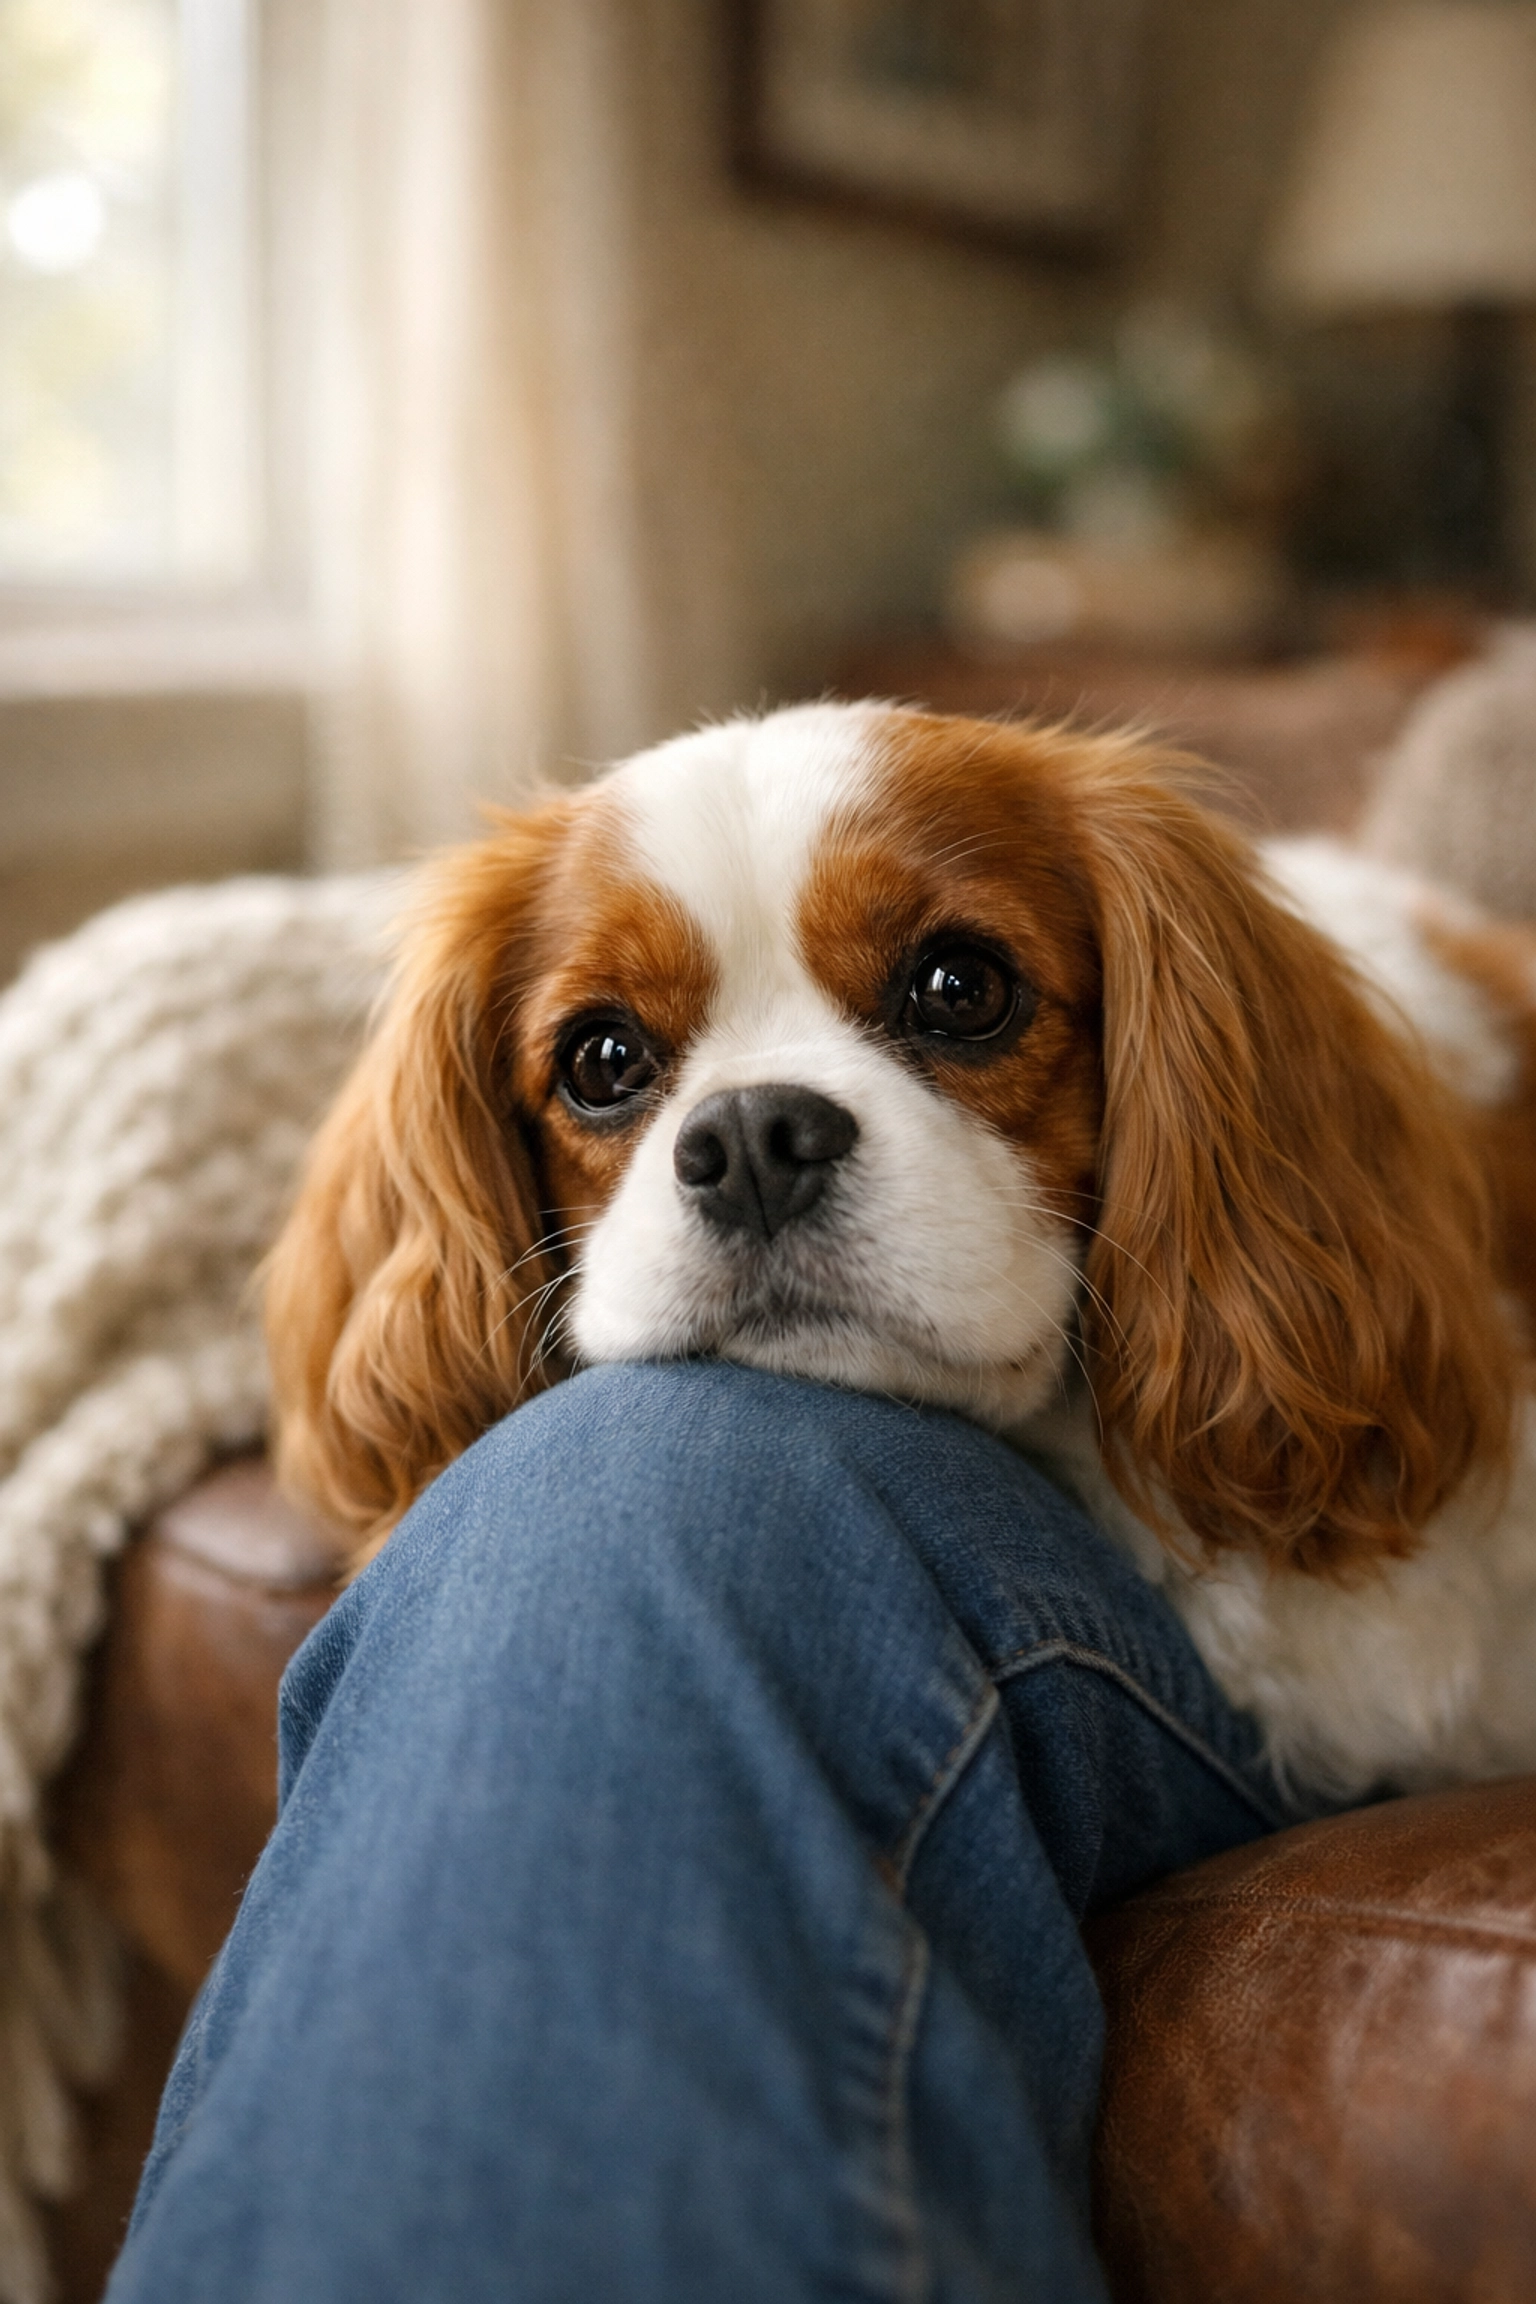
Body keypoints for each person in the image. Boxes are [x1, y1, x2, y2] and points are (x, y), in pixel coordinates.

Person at [105, 1360, 1315, 2303]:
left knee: (622, 1471)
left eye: (956, 1018)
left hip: (1216, 1584)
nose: (754, 1142)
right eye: (608, 1068)